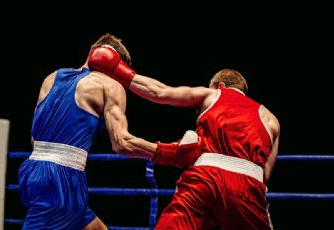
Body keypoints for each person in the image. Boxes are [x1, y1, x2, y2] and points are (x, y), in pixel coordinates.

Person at [18, 33, 203, 230]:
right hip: (62, 179)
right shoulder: (110, 85)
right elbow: (121, 142)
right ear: (117, 65)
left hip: (31, 171)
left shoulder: (52, 77)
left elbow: (34, 139)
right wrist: (172, 154)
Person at [88, 46, 280, 229]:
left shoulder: (213, 94)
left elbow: (159, 92)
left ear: (219, 85)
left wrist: (117, 70)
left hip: (205, 180)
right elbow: (265, 174)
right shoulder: (271, 119)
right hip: (247, 188)